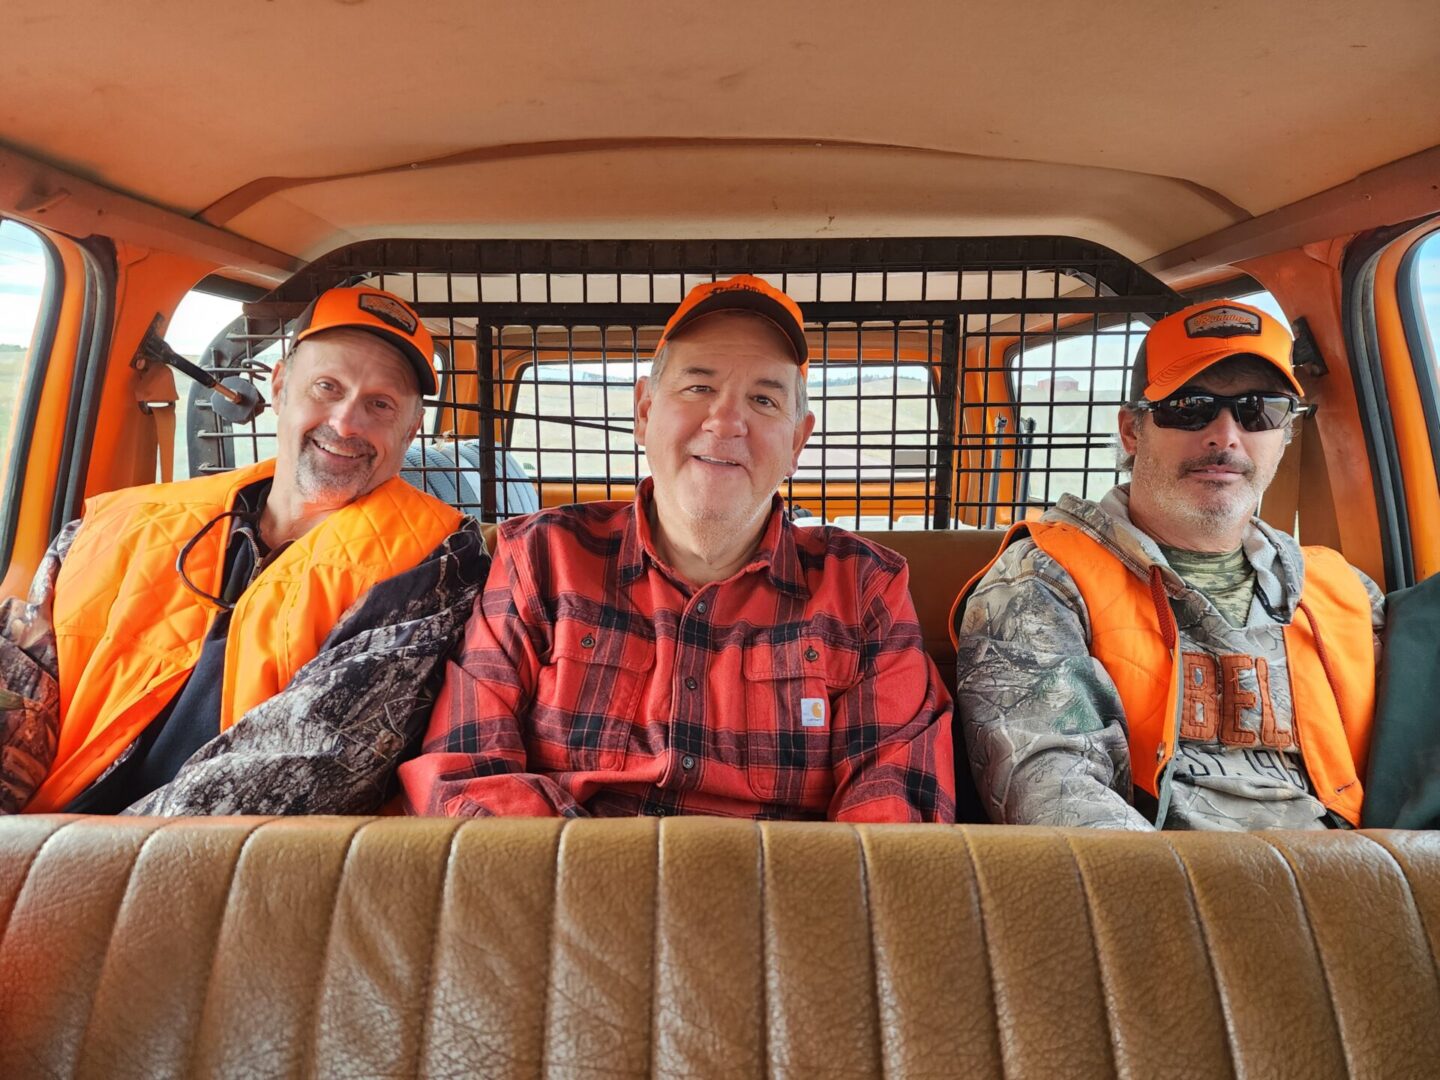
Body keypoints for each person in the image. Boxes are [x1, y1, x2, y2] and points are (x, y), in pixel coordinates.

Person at [401, 274, 956, 821]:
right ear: (644, 412)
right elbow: (465, 773)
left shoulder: (864, 588)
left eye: (763, 399)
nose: (726, 421)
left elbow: (895, 812)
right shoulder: (540, 558)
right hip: (567, 892)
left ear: (797, 442)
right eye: (699, 387)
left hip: (786, 900)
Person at [0, 286, 487, 816]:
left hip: (199, 874)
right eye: (327, 387)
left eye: (380, 405)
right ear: (279, 387)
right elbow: (19, 691)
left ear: (411, 429)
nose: (347, 423)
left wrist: (59, 871)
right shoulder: (117, 526)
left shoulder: (434, 566)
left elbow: (297, 773)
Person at [954, 299, 1383, 830]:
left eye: (1258, 410)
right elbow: (1054, 791)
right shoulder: (1044, 581)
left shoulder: (1346, 592)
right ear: (1133, 431)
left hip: (1365, 876)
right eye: (1189, 406)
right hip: (1162, 887)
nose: (1225, 436)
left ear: (1285, 433)